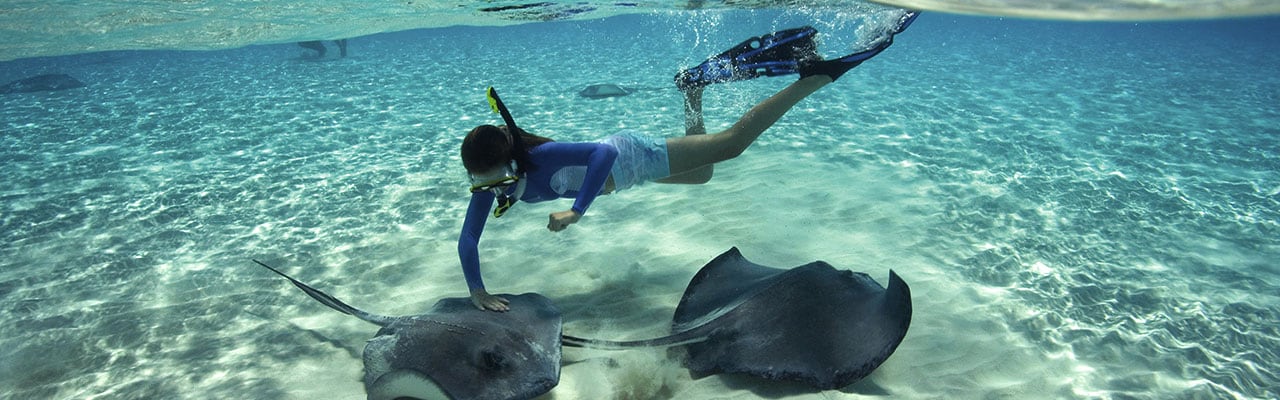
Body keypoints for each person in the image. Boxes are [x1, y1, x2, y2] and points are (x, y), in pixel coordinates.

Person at [459, 12, 919, 311]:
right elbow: (468, 238)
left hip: (629, 156)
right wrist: (477, 290)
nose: (488, 189)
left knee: (733, 143)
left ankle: (815, 77)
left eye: (490, 178)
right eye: (480, 183)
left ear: (509, 159)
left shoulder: (539, 157)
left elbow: (602, 154)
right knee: (701, 174)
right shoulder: (495, 185)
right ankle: (692, 89)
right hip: (627, 177)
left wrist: (577, 210)